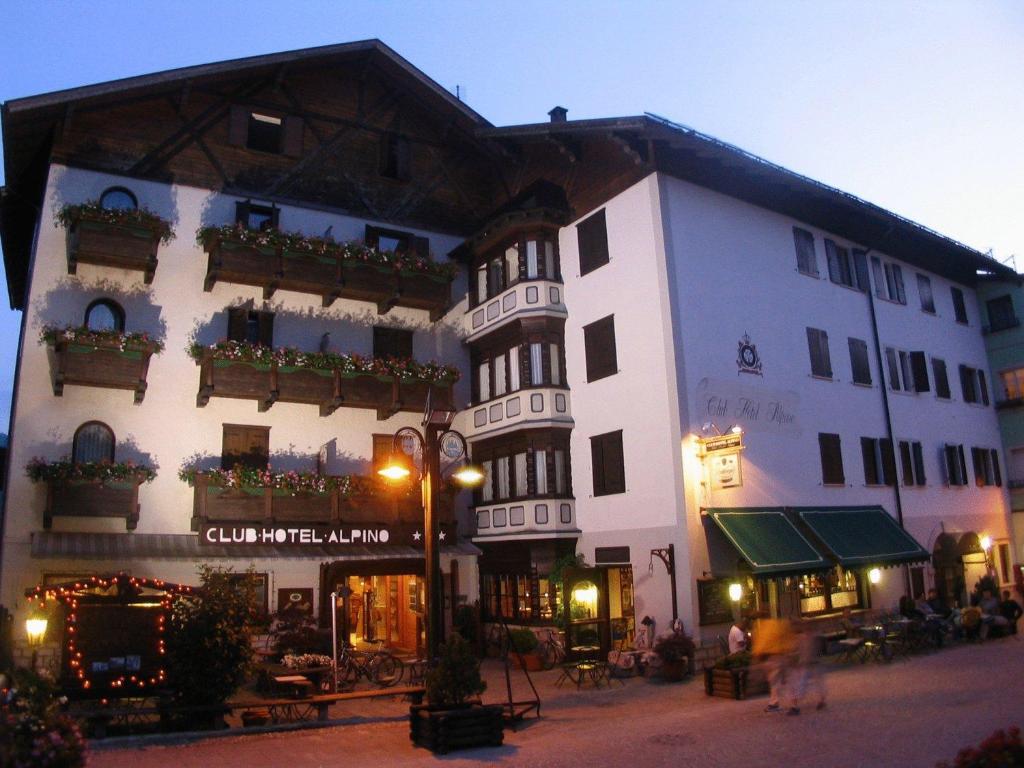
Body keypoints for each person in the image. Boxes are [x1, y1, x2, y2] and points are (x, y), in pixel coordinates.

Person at [751, 616, 795, 714]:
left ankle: (779, 703)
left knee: (775, 682)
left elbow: (760, 646)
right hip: (781, 656)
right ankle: (789, 703)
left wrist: (756, 657)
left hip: (772, 658)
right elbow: (788, 640)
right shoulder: (778, 625)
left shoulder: (764, 629)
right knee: (783, 681)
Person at [788, 622, 826, 715]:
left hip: (809, 663)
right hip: (810, 663)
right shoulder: (815, 637)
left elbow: (795, 650)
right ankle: (821, 700)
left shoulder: (805, 638)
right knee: (812, 683)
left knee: (802, 684)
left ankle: (795, 706)